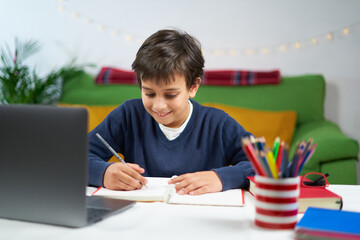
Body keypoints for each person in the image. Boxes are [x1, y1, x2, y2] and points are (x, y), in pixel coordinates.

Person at [88, 29, 254, 195]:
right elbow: (73, 157)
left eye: (170, 95)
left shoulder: (218, 124)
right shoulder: (128, 115)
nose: (159, 105)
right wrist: (103, 173)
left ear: (193, 87)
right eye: (149, 93)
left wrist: (220, 178)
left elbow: (268, 165)